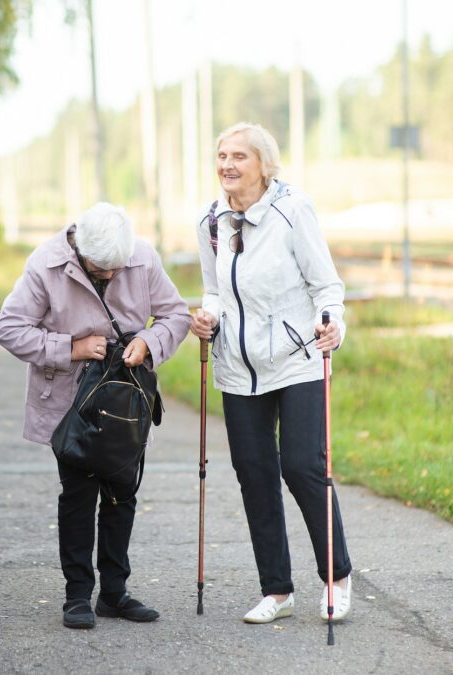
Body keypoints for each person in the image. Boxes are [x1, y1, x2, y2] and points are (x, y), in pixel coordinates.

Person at [0, 202, 190, 630]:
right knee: (79, 496)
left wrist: (150, 343)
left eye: (117, 268)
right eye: (101, 269)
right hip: (71, 405)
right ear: (80, 250)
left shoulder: (143, 257)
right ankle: (77, 596)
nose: (111, 276)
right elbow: (9, 328)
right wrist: (70, 348)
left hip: (126, 401)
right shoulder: (45, 264)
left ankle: (114, 594)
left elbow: (177, 315)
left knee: (123, 494)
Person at [189, 122, 353, 624]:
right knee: (255, 474)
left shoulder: (292, 210)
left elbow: (325, 283)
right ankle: (277, 591)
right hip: (238, 367)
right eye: (221, 156)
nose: (227, 165)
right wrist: (207, 314)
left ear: (264, 164)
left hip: (297, 357)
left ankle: (337, 578)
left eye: (239, 156)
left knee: (302, 465)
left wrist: (334, 323)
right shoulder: (211, 222)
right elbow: (214, 289)